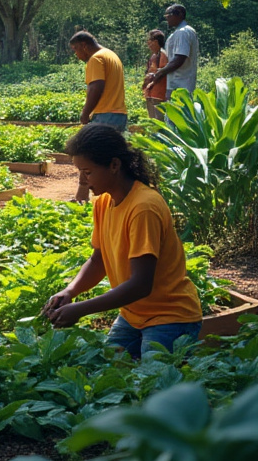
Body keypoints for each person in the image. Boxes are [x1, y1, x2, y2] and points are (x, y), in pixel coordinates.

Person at [42, 124, 202, 359]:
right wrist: (70, 291)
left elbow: (140, 284)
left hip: (170, 317)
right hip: (132, 314)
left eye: (87, 172)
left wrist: (81, 309)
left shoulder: (143, 208)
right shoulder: (104, 202)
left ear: (114, 165)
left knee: (153, 385)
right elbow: (99, 260)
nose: (82, 180)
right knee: (108, 372)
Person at [70, 31, 128, 202]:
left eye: (76, 49)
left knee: (87, 155)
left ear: (84, 46)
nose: (76, 54)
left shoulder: (96, 58)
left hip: (105, 115)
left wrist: (85, 113)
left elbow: (96, 87)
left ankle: (82, 198)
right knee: (111, 159)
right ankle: (113, 197)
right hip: (118, 114)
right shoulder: (111, 55)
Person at [145, 3, 200, 97]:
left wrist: (161, 72)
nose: (166, 19)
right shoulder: (180, 32)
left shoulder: (183, 32)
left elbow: (180, 58)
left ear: (179, 15)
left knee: (177, 111)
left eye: (168, 15)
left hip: (180, 86)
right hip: (177, 84)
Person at [143, 29, 168, 121]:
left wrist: (152, 77)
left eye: (149, 41)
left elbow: (162, 72)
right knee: (152, 120)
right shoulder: (154, 55)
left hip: (159, 93)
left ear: (155, 42)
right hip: (151, 93)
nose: (148, 44)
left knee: (158, 121)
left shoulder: (163, 55)